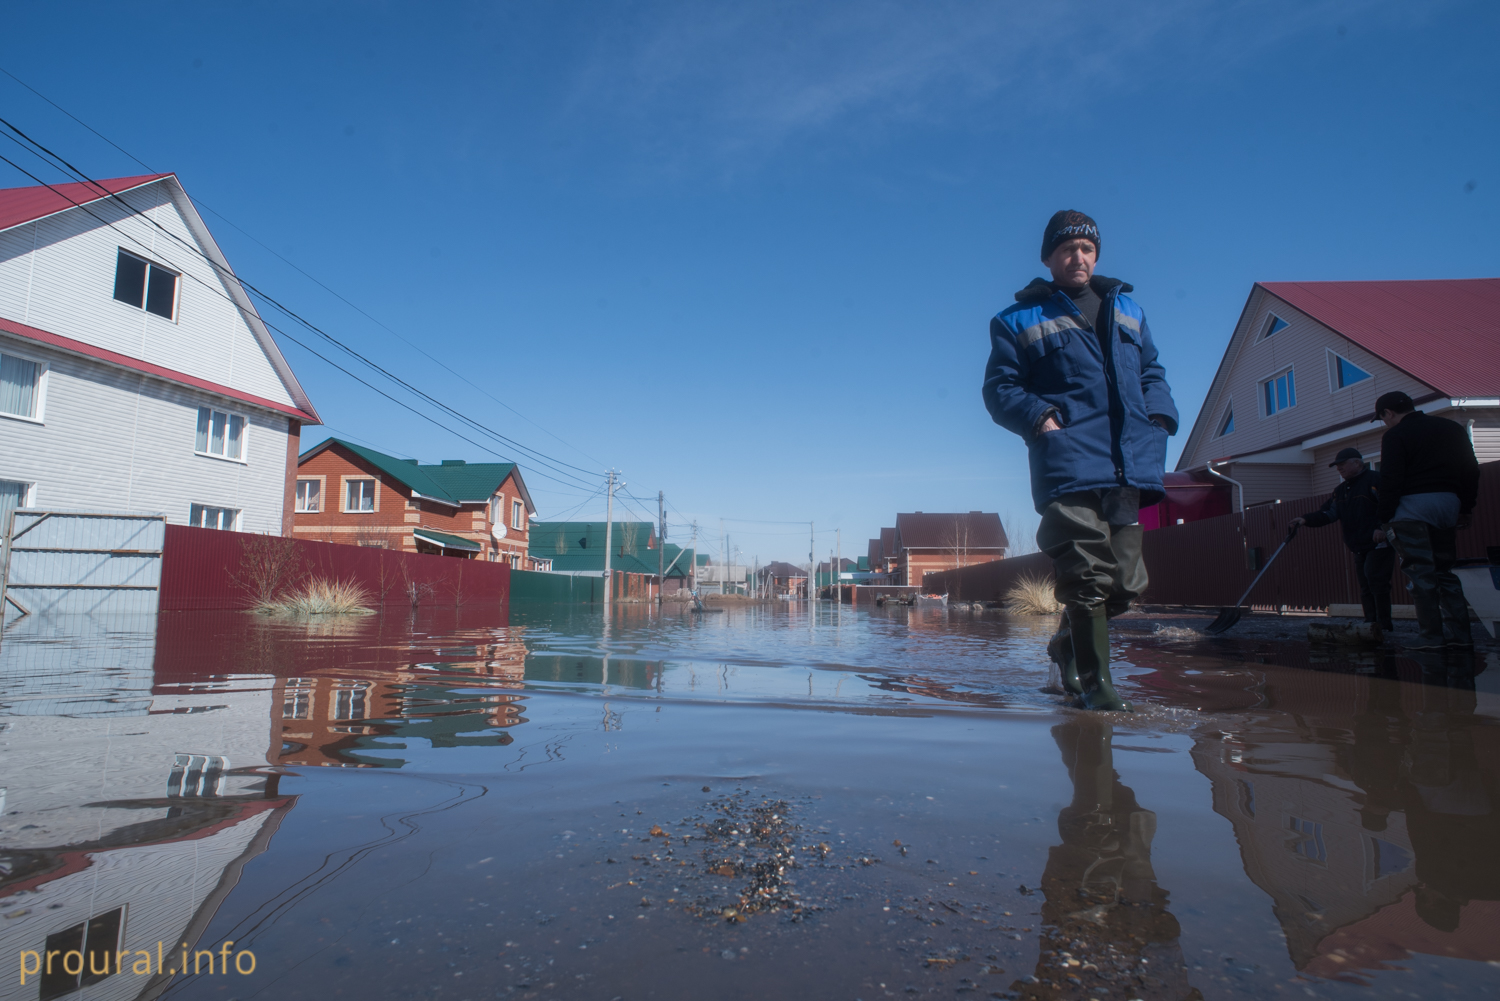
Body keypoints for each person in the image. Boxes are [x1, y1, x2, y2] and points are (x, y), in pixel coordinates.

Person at [983, 210, 1178, 710]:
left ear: (1097, 255)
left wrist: (1160, 419)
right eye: (1067, 249)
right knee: (1087, 575)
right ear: (1048, 258)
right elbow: (1000, 389)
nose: (1078, 257)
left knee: (1126, 585)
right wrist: (1042, 419)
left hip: (1128, 463)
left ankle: (1066, 644)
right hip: (1067, 462)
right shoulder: (1017, 319)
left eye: (1087, 248)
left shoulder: (1129, 310)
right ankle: (1097, 689)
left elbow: (1152, 373)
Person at [1372, 391, 1480, 650]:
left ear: (1388, 413)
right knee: (1444, 571)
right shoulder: (1451, 428)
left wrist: (1384, 517)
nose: (1385, 423)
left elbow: (1391, 478)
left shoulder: (1396, 435)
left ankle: (1431, 636)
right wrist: (1465, 507)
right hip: (1448, 504)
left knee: (1420, 573)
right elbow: (1471, 469)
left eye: (1383, 418)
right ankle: (1460, 635)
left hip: (1413, 508)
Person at [1291, 447, 1394, 631]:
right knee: (1365, 585)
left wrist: (1382, 527)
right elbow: (1328, 514)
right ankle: (1370, 624)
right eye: (1337, 466)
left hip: (1379, 542)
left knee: (1376, 581)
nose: (1339, 468)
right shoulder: (1340, 491)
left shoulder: (1375, 480)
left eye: (1342, 464)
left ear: (1357, 463)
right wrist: (1305, 519)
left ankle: (1384, 625)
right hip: (1357, 545)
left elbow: (1389, 505)